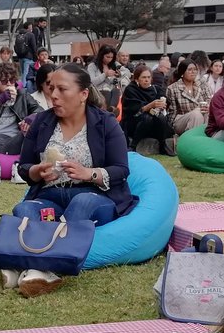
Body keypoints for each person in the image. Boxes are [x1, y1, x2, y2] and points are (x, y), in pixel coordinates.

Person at [9, 63, 137, 297]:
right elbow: (24, 166)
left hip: (95, 195)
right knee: (24, 209)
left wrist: (89, 173)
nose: (54, 95)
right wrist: (37, 171)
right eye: (51, 88)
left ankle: (40, 267)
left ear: (83, 94)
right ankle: (34, 268)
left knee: (82, 203)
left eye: (62, 89)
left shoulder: (105, 123)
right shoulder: (42, 122)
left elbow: (121, 169)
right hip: (51, 196)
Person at [122, 64, 174, 155]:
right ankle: (133, 146)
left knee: (160, 117)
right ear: (137, 79)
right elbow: (132, 110)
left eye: (148, 77)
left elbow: (166, 102)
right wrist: (150, 105)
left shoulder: (156, 89)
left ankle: (163, 146)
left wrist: (162, 104)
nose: (146, 80)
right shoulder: (130, 90)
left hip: (154, 123)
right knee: (147, 117)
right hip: (135, 122)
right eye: (143, 77)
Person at [165, 58, 213, 136]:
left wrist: (208, 107)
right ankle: (193, 140)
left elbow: (210, 101)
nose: (193, 72)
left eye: (195, 69)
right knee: (196, 114)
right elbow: (172, 113)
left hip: (202, 117)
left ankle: (206, 138)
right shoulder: (173, 88)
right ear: (182, 73)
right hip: (181, 120)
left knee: (208, 114)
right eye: (190, 70)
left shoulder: (203, 85)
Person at [88, 45, 122, 109]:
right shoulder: (92, 66)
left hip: (111, 91)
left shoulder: (112, 65)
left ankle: (111, 109)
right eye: (107, 57)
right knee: (107, 91)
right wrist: (105, 75)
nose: (109, 59)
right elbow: (92, 82)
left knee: (116, 90)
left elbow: (112, 82)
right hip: (98, 92)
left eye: (111, 57)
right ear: (101, 55)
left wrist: (118, 77)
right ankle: (110, 111)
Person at [15, 22, 36, 87]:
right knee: (27, 73)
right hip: (28, 56)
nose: (32, 29)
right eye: (31, 27)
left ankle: (21, 86)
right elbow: (34, 46)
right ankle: (24, 87)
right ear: (28, 27)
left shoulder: (18, 35)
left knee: (22, 73)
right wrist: (35, 56)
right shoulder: (31, 35)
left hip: (20, 56)